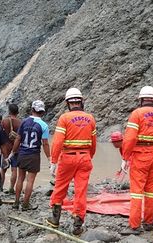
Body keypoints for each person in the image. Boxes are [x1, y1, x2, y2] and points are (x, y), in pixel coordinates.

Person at [46, 88, 97, 235]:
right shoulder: (90, 118)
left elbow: (57, 142)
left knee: (60, 187)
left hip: (68, 157)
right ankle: (77, 225)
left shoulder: (64, 118)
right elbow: (93, 143)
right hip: (85, 156)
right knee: (81, 191)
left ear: (68, 103)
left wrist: (53, 161)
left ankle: (55, 220)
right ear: (81, 101)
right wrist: (88, 157)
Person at [120, 86, 153, 235]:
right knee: (151, 191)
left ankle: (134, 225)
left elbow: (130, 138)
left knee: (136, 191)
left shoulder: (137, 114)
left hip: (140, 155)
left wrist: (125, 157)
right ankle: (149, 222)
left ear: (141, 99)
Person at [10, 100, 50, 211]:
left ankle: (16, 202)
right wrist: (49, 158)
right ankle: (26, 204)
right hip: (34, 155)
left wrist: (13, 152)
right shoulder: (44, 126)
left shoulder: (24, 122)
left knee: (20, 178)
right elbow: (45, 143)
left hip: (22, 153)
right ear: (42, 112)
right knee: (30, 180)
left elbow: (18, 138)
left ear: (32, 110)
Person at [0, 104, 21, 194]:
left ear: (9, 111)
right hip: (16, 148)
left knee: (2, 169)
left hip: (5, 148)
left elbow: (0, 134)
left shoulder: (4, 121)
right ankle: (11, 188)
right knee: (14, 169)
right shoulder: (20, 122)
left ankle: (0, 187)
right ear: (17, 112)